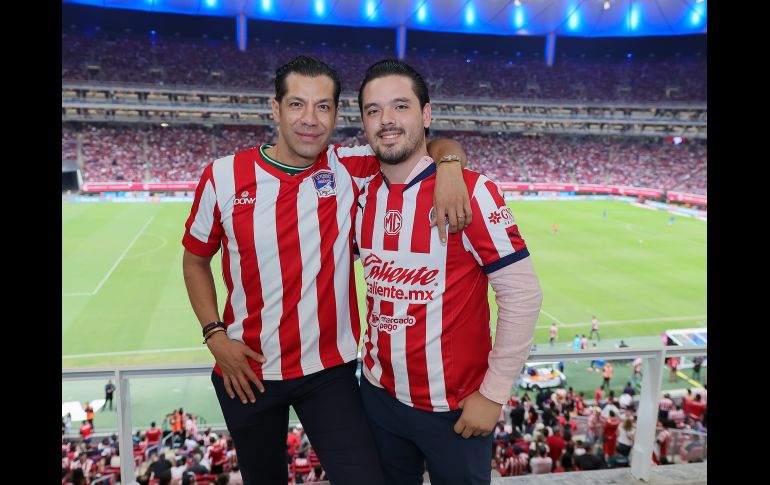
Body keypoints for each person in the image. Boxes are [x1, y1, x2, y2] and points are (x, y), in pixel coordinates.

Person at [181, 55, 471, 485]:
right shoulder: (223, 176)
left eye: (323, 106)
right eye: (297, 104)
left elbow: (433, 144)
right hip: (246, 369)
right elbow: (194, 259)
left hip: (328, 373)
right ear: (276, 108)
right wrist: (214, 335)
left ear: (336, 114)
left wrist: (449, 169)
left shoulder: (349, 166)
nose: (310, 119)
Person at [354, 59, 542, 485]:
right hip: (379, 397)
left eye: (400, 106)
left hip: (454, 410)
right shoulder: (362, 196)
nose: (386, 119)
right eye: (373, 110)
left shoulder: (472, 191)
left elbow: (523, 294)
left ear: (426, 114)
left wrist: (494, 393)